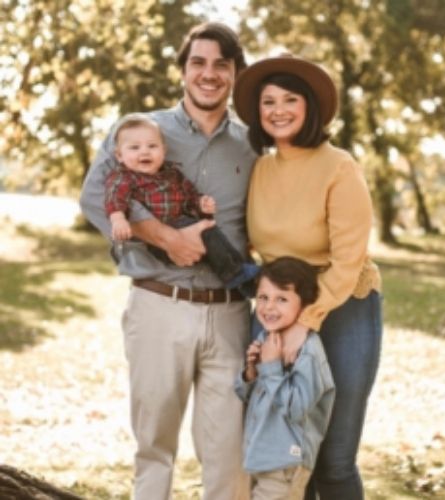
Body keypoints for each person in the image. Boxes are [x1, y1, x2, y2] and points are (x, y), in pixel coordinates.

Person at [80, 22, 256, 500]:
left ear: (235, 74)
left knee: (229, 453)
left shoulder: (252, 145)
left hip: (230, 315)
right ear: (182, 70)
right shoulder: (140, 131)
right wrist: (164, 237)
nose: (209, 73)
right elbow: (97, 196)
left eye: (222, 64)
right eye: (198, 62)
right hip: (158, 306)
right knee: (154, 447)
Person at [233, 54, 383, 499]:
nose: (278, 109)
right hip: (278, 312)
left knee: (334, 461)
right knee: (289, 455)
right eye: (268, 102)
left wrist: (307, 321)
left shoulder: (339, 166)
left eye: (289, 99)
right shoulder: (260, 168)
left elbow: (349, 258)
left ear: (309, 107)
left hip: (343, 309)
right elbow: (253, 247)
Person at [105, 112, 258, 291]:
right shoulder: (124, 177)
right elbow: (114, 198)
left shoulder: (172, 174)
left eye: (152, 146)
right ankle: (235, 274)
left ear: (164, 150)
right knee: (209, 234)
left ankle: (241, 273)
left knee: (211, 231)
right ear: (119, 155)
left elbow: (189, 194)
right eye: (134, 148)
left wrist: (201, 203)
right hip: (159, 240)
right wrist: (118, 219)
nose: (144, 151)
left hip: (183, 223)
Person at [234, 257, 335, 500]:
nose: (269, 307)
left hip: (285, 462)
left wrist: (271, 367)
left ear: (305, 305)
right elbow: (246, 396)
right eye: (263, 297)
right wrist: (251, 371)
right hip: (259, 455)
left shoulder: (309, 352)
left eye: (282, 299)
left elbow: (296, 409)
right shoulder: (267, 338)